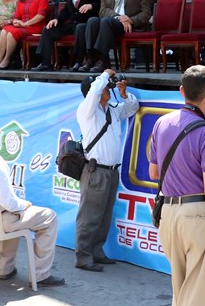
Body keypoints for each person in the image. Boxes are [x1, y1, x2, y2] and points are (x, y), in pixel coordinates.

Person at [149, 65, 205, 306]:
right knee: (199, 298)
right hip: (199, 216)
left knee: (183, 293)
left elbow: (154, 172)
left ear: (182, 90)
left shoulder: (162, 122)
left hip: (169, 215)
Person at [0, 112, 64, 286]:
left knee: (12, 215)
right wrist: (24, 204)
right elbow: (8, 202)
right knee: (48, 216)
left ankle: (5, 269)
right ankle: (41, 275)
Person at [75, 69, 138, 271]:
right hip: (96, 170)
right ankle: (83, 257)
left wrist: (124, 93)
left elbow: (132, 109)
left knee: (103, 216)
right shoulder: (87, 110)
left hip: (111, 171)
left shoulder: (111, 108)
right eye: (105, 87)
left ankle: (96, 251)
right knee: (89, 216)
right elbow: (94, 92)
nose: (107, 89)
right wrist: (103, 74)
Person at [78, 0, 152, 74]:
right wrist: (117, 17)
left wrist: (130, 20)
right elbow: (102, 11)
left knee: (105, 21)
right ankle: (91, 58)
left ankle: (102, 61)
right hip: (111, 22)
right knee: (92, 20)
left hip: (129, 25)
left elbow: (146, 13)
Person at [33, 0, 102, 72]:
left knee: (80, 27)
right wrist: (57, 19)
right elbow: (65, 12)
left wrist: (91, 6)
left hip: (87, 25)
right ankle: (45, 62)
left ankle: (79, 62)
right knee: (48, 29)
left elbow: (103, 4)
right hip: (72, 25)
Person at [0, 0, 48, 69]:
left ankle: (7, 59)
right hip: (22, 26)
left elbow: (41, 15)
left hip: (35, 27)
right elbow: (17, 16)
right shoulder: (22, 0)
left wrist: (26, 23)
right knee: (4, 30)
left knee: (11, 33)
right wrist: (15, 21)